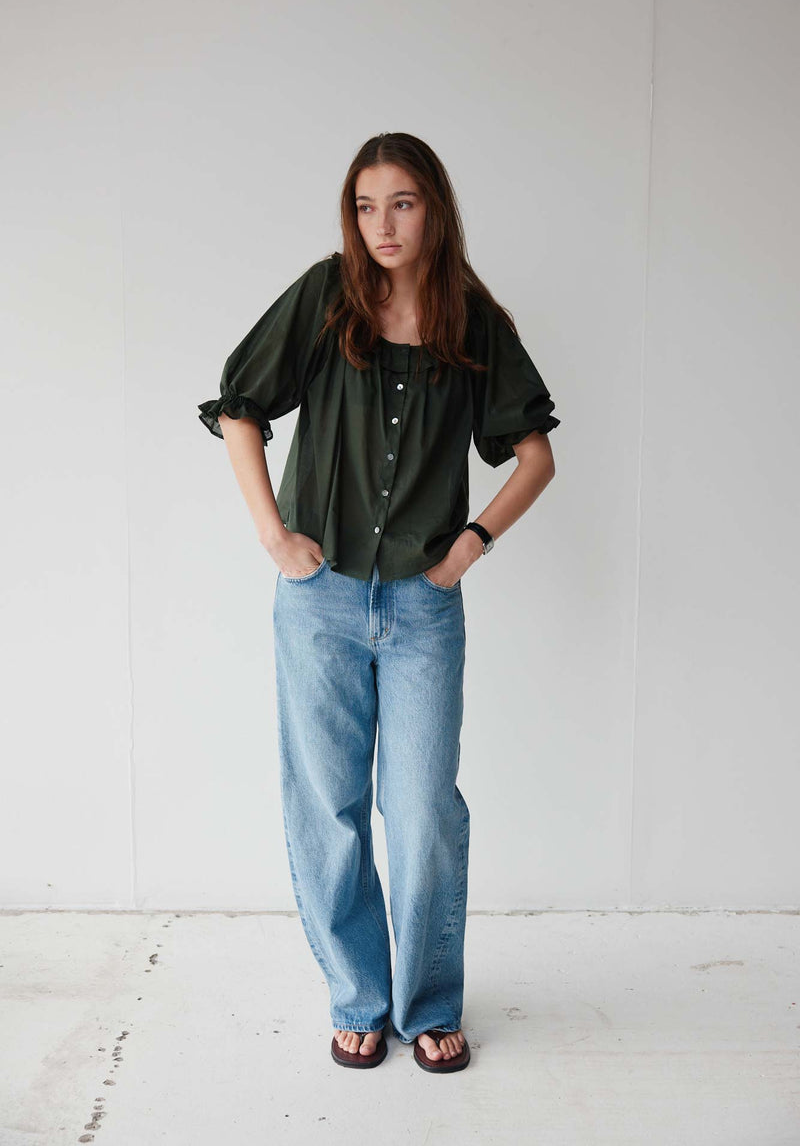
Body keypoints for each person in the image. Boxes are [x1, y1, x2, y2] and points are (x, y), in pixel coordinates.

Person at [197, 131, 560, 1073]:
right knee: (329, 807)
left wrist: (470, 544)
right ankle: (357, 997)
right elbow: (238, 408)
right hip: (319, 601)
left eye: (402, 202)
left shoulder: (472, 321)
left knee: (423, 807)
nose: (382, 224)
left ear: (434, 207)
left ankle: (429, 1002)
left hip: (423, 609)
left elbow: (536, 456)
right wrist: (274, 535)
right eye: (366, 206)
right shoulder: (328, 298)